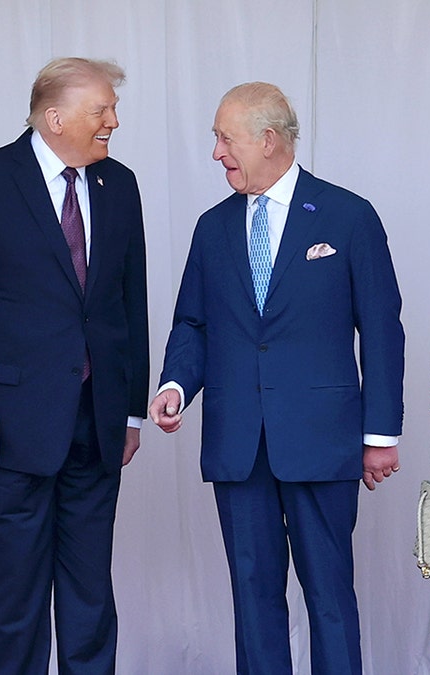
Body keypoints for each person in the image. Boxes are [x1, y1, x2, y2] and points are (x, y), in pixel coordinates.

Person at [149, 82, 405, 674]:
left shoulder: (348, 216)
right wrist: (175, 385)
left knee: (330, 597)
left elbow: (381, 329)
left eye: (225, 138)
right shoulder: (212, 228)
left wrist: (379, 435)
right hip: (239, 443)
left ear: (268, 140)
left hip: (323, 440)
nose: (216, 152)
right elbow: (193, 322)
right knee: (253, 600)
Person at [0, 57, 149, 674]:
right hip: (3, 428)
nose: (113, 122)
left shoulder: (119, 185)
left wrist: (130, 413)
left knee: (90, 598)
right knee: (17, 604)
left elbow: (130, 302)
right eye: (101, 110)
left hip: (95, 425)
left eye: (112, 110)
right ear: (55, 118)